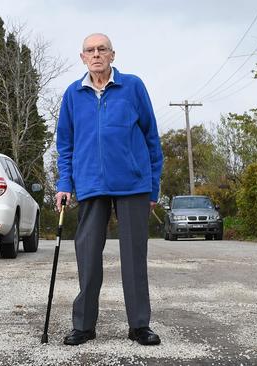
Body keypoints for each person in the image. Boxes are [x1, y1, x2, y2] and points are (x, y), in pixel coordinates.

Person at [55, 33, 163, 346]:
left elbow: (151, 139)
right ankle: (84, 326)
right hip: (90, 184)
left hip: (132, 185)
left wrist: (152, 187)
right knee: (87, 256)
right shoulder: (73, 95)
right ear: (82, 57)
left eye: (102, 49)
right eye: (90, 50)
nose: (97, 54)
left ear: (112, 55)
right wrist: (64, 184)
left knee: (134, 257)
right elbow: (66, 145)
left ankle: (139, 326)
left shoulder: (133, 86)